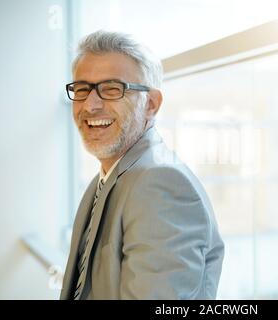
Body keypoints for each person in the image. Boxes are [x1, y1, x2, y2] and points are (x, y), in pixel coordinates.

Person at [60, 30, 224, 300]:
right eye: (81, 89)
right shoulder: (107, 178)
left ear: (151, 104)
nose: (90, 105)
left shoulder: (161, 184)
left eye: (112, 89)